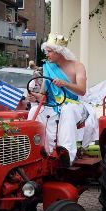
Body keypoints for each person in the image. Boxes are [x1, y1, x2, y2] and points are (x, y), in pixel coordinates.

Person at [28, 33, 98, 164]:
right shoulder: (48, 67)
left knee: (67, 110)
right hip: (53, 106)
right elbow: (44, 94)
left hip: (74, 105)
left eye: (49, 52)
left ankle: (66, 155)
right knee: (34, 111)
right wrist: (34, 97)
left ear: (59, 52)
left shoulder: (78, 66)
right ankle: (39, 153)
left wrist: (65, 83)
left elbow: (82, 91)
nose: (46, 55)